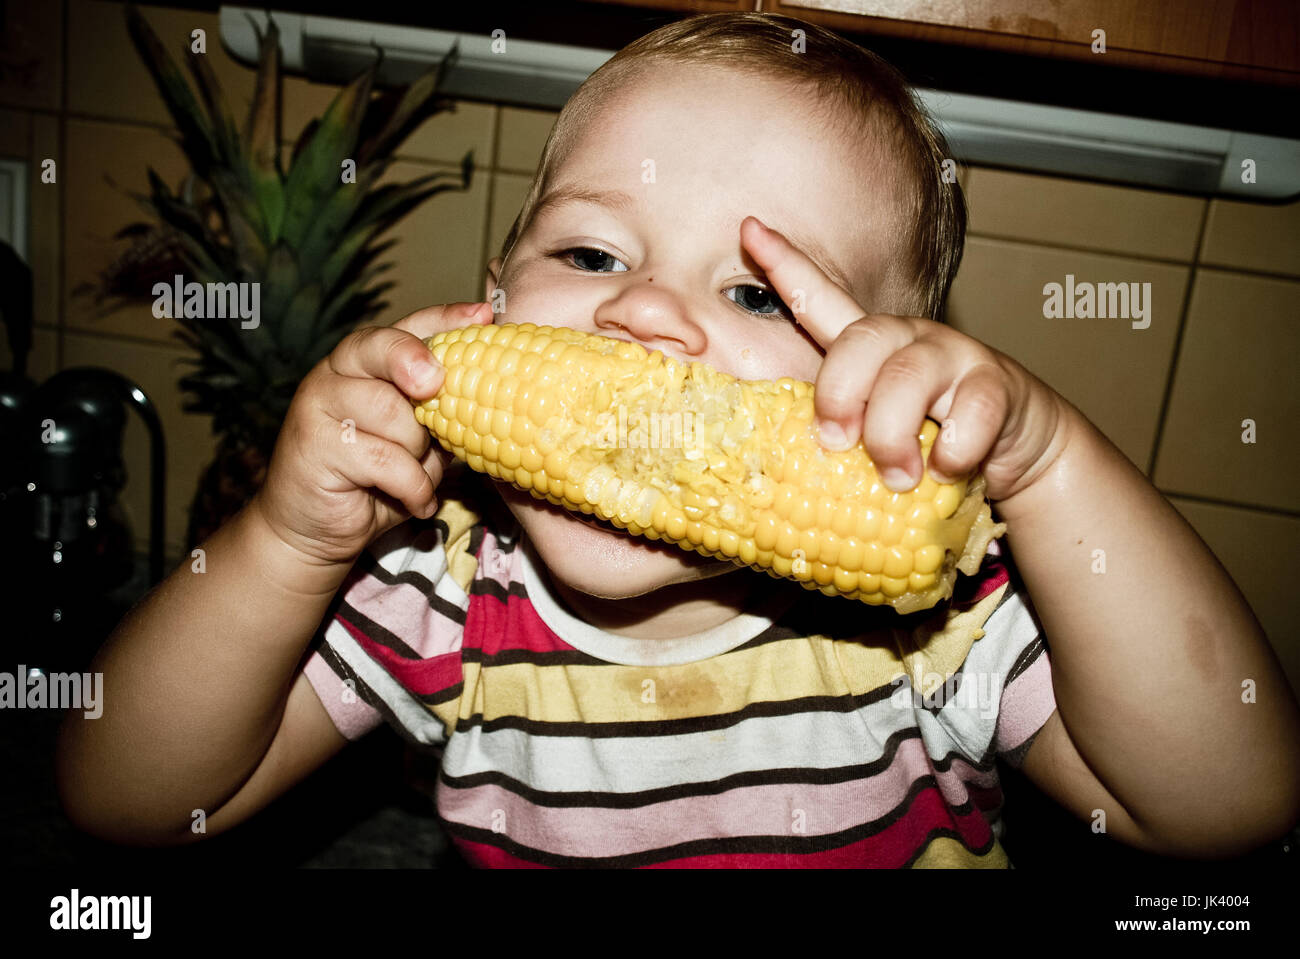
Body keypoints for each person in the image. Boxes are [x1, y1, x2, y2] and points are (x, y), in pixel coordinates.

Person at [56, 12, 1300, 867]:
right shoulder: (438, 590)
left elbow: (1225, 810)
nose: (644, 313)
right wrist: (282, 542)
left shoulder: (935, 627)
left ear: (887, 373)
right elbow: (130, 801)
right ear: (490, 298)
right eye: (591, 255)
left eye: (758, 294)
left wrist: (1049, 464)